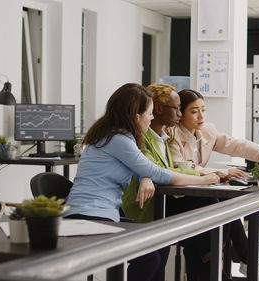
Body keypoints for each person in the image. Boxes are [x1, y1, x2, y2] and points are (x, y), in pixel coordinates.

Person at [63, 83, 219, 281]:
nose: (152, 117)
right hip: (90, 217)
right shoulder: (119, 139)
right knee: (150, 256)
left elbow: (144, 169)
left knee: (159, 242)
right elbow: (157, 172)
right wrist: (204, 180)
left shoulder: (115, 135)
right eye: (150, 113)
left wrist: (145, 177)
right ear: (137, 116)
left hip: (104, 215)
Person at [168, 89, 259, 281]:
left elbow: (234, 144)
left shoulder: (206, 130)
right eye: (194, 111)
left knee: (222, 204)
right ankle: (245, 259)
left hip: (198, 197)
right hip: (177, 198)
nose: (201, 116)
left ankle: (236, 264)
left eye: (203, 110)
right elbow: (183, 166)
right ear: (180, 113)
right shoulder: (171, 134)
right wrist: (221, 173)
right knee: (217, 207)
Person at [121, 83, 200, 223]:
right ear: (157, 109)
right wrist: (201, 175)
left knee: (221, 205)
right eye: (176, 108)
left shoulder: (163, 138)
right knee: (210, 204)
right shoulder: (138, 137)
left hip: (162, 201)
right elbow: (156, 170)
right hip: (145, 206)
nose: (180, 114)